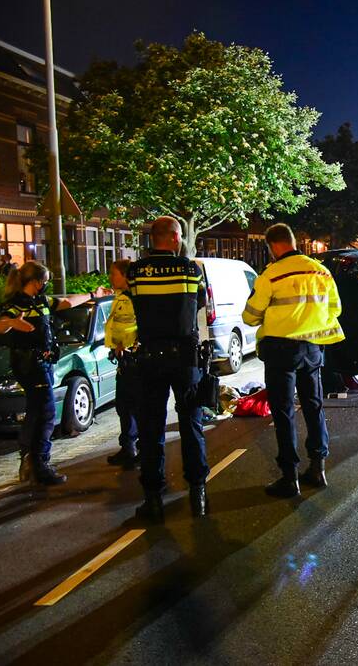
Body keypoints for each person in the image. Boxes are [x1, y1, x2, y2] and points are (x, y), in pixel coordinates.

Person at [242, 223, 344, 498]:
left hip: (280, 351)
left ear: (272, 246)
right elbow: (335, 308)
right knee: (313, 406)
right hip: (312, 348)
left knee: (284, 411)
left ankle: (289, 477)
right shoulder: (320, 271)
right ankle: (318, 467)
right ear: (292, 241)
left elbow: (249, 316)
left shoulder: (271, 275)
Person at [0, 262, 110, 485]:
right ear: (36, 282)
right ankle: (39, 463)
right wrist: (11, 323)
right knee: (46, 412)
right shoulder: (19, 304)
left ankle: (30, 459)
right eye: (45, 281)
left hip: (42, 363)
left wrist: (91, 294)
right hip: (31, 364)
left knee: (37, 411)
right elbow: (0, 325)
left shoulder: (41, 301)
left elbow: (66, 302)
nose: (46, 285)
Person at [128, 217, 210, 522]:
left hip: (150, 358)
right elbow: (199, 303)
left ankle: (153, 499)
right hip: (185, 357)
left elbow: (136, 304)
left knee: (151, 429)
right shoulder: (190, 270)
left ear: (153, 239)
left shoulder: (136, 272)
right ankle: (198, 494)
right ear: (176, 238)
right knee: (191, 424)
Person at [105, 258, 139, 470]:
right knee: (124, 406)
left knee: (132, 405)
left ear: (125, 276)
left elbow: (143, 325)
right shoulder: (121, 298)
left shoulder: (134, 298)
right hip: (123, 357)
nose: (110, 277)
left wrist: (134, 346)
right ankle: (128, 446)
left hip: (133, 359)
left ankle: (134, 448)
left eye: (113, 273)